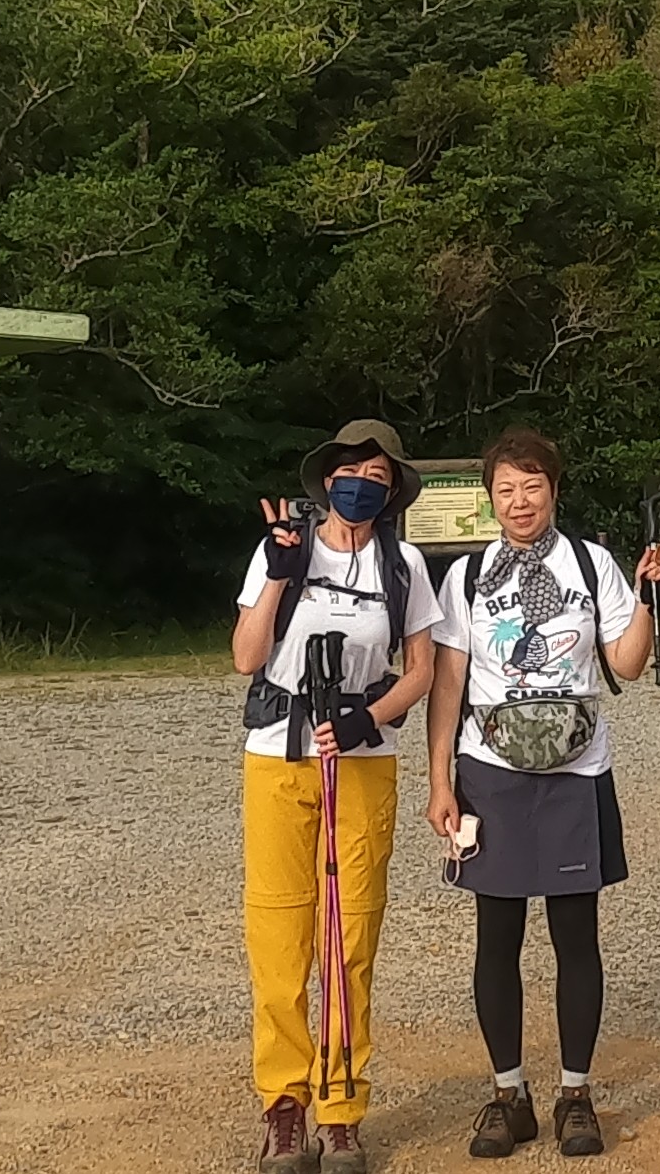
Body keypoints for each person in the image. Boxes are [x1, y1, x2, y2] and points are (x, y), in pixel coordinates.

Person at [423, 429, 660, 1159]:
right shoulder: (466, 576)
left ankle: (574, 1093)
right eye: (505, 488)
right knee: (495, 939)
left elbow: (625, 660)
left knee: (575, 937)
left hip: (575, 770)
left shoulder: (592, 567)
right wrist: (439, 780)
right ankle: (508, 1095)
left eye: (532, 485)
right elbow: (447, 684)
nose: (519, 501)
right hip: (489, 772)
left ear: (554, 489)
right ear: (489, 496)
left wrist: (651, 597)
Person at [232, 419, 443, 1173]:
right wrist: (280, 574)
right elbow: (245, 657)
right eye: (351, 471)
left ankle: (342, 1107)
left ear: (390, 494)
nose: (361, 485)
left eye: (378, 478)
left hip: (360, 756)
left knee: (349, 936)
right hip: (278, 755)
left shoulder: (404, 562)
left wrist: (365, 719)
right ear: (326, 480)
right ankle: (283, 1108)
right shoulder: (283, 548)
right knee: (281, 934)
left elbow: (419, 670)